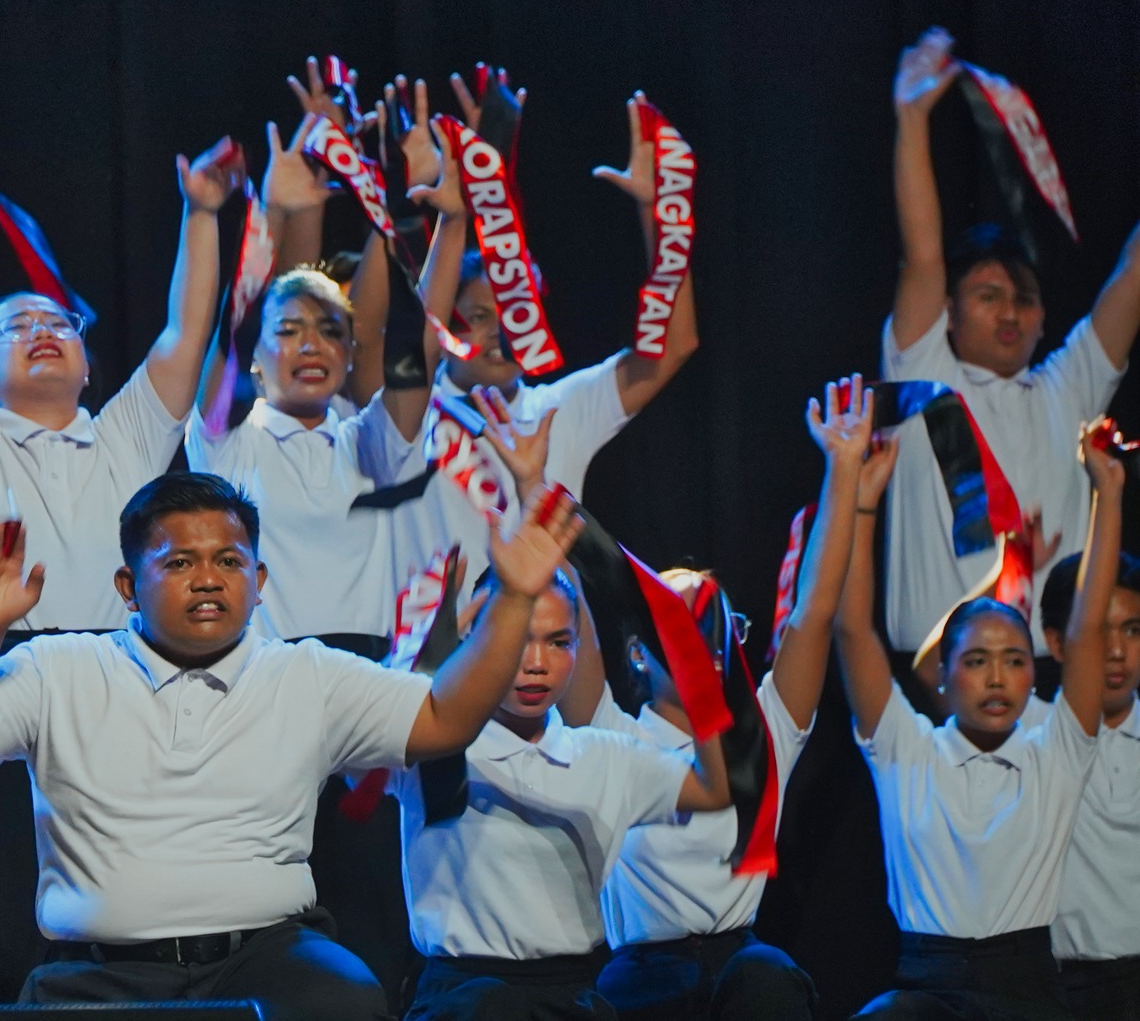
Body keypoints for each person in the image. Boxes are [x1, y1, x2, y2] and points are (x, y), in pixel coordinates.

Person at [0, 470, 585, 1021]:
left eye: (229, 561)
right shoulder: (59, 668)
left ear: (259, 583)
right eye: (180, 562)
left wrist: (515, 599)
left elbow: (446, 718)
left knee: (348, 999)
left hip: (270, 959)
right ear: (128, 587)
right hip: (101, 973)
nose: (208, 578)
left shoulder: (308, 674)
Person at [0, 137, 232, 1000]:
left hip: (116, 684)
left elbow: (185, 333)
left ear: (87, 365)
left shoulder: (123, 435)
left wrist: (201, 211)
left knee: (116, 936)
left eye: (59, 324)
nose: (44, 333)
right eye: (16, 327)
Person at [185, 95, 452, 1008]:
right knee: (268, 914)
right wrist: (274, 215)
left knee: (372, 910)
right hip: (264, 685)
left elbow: (413, 345)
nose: (310, 344)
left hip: (364, 685)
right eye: (289, 330)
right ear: (259, 356)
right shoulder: (227, 437)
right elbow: (227, 330)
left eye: (330, 330)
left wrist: (426, 212)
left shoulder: (369, 440)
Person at [591, 376, 879, 1019]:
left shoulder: (763, 728)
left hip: (740, 969)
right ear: (638, 652)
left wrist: (843, 465)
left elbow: (814, 611)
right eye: (682, 624)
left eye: (718, 624)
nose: (707, 641)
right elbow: (573, 589)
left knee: (768, 974)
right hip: (641, 976)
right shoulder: (610, 735)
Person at [836, 415, 1121, 1018]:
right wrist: (860, 507)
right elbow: (852, 629)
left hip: (1028, 990)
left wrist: (1108, 491)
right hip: (926, 987)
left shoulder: (1055, 754)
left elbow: (1088, 629)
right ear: (942, 673)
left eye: (1015, 660)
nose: (997, 677)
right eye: (976, 661)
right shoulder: (907, 749)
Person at [881, 27, 1140, 660]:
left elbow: (1134, 274)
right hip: (935, 685)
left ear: (1045, 318)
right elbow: (922, 254)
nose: (1009, 311)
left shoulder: (1067, 388)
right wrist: (911, 118)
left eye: (1024, 298)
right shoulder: (924, 374)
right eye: (988, 294)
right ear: (948, 312)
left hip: (1055, 684)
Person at [394, 533, 731, 1018]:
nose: (537, 664)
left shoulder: (604, 756)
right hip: (461, 1000)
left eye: (558, 642)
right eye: (517, 639)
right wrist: (415, 659)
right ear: (480, 642)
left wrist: (692, 665)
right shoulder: (434, 744)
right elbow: (356, 771)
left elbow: (714, 789)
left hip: (572, 998)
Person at [418, 86, 700, 599]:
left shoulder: (558, 410)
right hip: (437, 643)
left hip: (546, 637)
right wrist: (456, 213)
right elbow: (410, 344)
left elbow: (674, 346)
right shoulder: (406, 416)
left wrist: (658, 215)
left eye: (514, 314)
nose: (500, 331)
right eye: (478, 316)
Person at [1029, 534, 1140, 1020]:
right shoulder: (1032, 732)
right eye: (1098, 630)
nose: (1116, 651)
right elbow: (932, 672)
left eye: (1133, 630)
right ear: (1057, 642)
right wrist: (1011, 574)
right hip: (1064, 989)